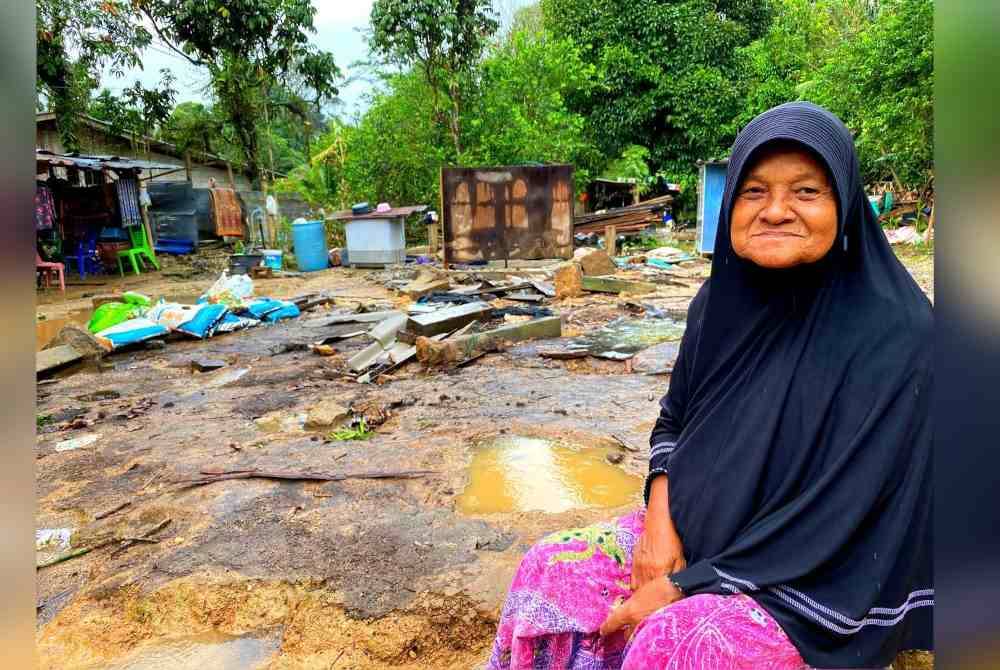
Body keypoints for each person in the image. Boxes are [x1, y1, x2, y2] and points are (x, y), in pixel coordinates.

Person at [486, 102, 932, 670]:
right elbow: (674, 422)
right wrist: (658, 525)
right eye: (753, 191)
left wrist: (689, 584)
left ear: (844, 204)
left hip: (817, 577)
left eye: (806, 191)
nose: (775, 211)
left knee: (679, 644)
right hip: (701, 537)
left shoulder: (898, 333)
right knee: (551, 572)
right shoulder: (717, 305)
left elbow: (845, 508)